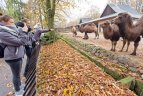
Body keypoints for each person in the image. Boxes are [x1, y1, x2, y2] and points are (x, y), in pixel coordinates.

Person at [0, 15, 29, 96]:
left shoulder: (11, 30)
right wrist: (24, 32)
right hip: (13, 57)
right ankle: (18, 92)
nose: (13, 24)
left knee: (17, 74)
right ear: (3, 22)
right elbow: (20, 42)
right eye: (11, 22)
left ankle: (19, 86)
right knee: (16, 75)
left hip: (17, 55)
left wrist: (23, 30)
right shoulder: (2, 33)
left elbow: (21, 38)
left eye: (13, 22)